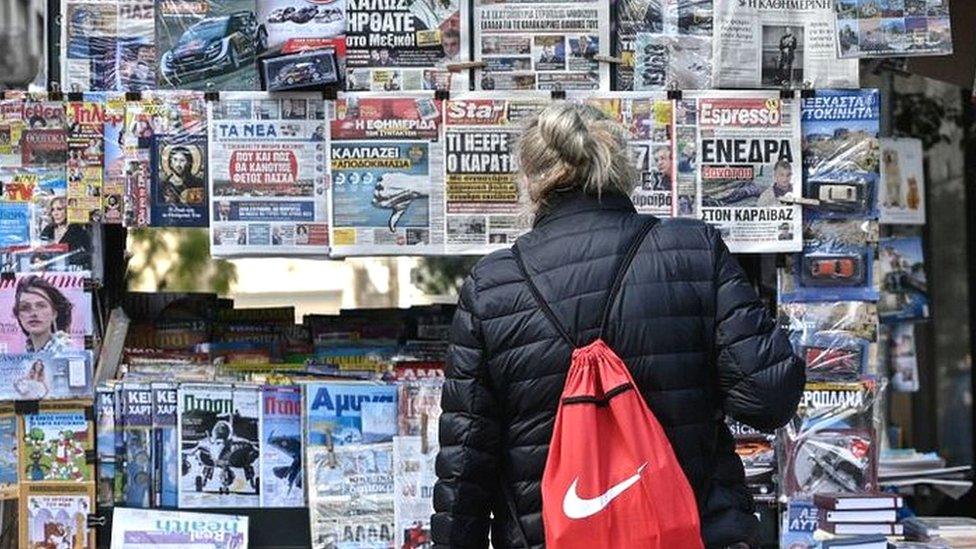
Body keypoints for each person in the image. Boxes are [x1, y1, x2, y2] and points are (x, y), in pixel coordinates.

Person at [432, 103, 804, 548]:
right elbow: (768, 399)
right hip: (695, 532)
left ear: (531, 181)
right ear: (622, 167)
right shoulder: (693, 251)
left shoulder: (493, 287)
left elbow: (465, 461)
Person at [13, 275, 74, 353]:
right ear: (18, 315)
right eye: (25, 307)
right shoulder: (24, 355)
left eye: (41, 306)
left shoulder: (66, 353)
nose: (33, 313)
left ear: (54, 313)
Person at [40, 196, 91, 269]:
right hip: (50, 274)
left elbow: (85, 256)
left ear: (68, 211)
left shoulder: (78, 231)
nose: (55, 213)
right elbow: (40, 254)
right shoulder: (48, 230)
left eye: (59, 209)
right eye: (52, 210)